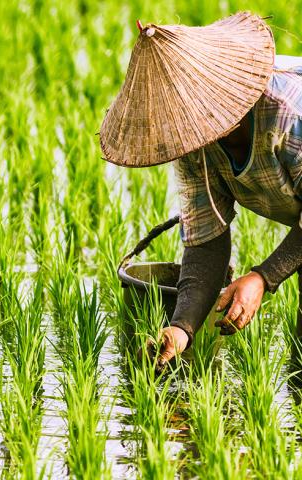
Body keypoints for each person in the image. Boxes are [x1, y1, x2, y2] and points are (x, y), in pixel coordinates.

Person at [99, 12, 302, 370]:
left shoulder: (288, 116)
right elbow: (206, 240)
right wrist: (181, 328)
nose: (194, 129)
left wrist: (262, 277)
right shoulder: (194, 143)